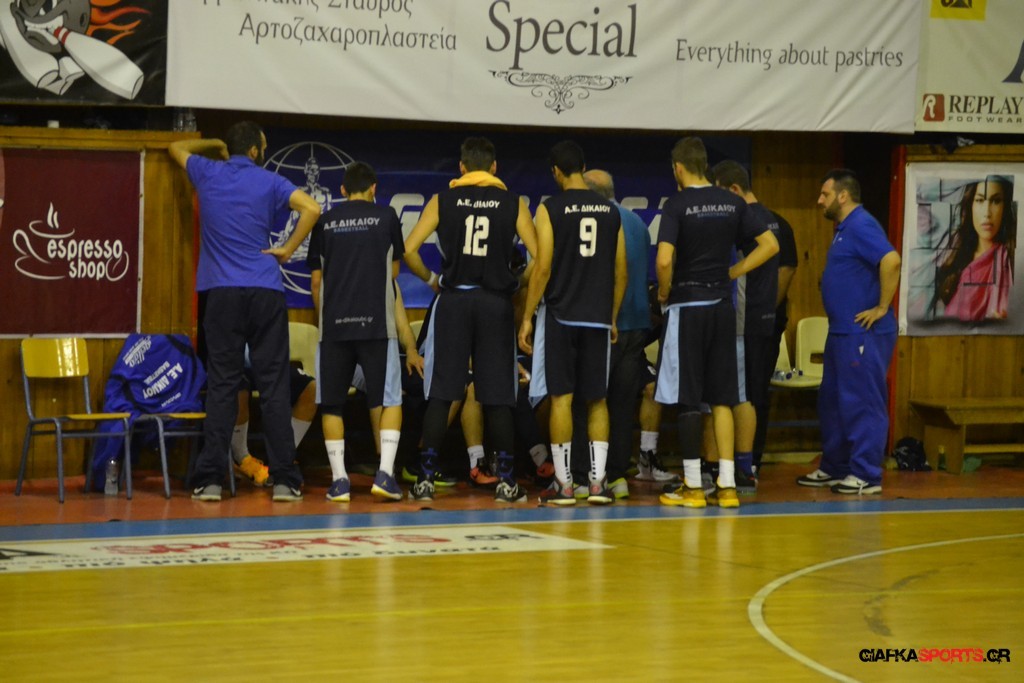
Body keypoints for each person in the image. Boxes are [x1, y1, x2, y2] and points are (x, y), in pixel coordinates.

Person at [169, 121, 321, 502]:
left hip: (221, 293)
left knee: (223, 385)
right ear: (254, 151)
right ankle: (285, 481)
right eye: (263, 145)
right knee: (274, 387)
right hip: (265, 290)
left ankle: (210, 481)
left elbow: (175, 148)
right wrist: (287, 249)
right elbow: (312, 207)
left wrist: (215, 144)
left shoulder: (208, 171)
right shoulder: (270, 181)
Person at [404, 137, 539, 504]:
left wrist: (433, 280)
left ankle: (425, 480)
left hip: (454, 301)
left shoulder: (442, 199)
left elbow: (409, 249)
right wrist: (517, 284)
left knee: (442, 392)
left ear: (461, 167)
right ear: (494, 167)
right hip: (495, 303)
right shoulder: (513, 202)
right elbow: (541, 255)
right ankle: (507, 483)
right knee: (498, 396)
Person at [655, 137, 778, 509]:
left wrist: (664, 292)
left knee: (690, 399)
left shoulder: (676, 205)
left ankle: (693, 487)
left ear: (678, 168)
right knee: (723, 398)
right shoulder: (732, 202)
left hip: (688, 308)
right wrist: (733, 272)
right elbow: (770, 245)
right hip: (723, 308)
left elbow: (664, 260)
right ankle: (727, 487)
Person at [519, 141, 626, 506]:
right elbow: (621, 270)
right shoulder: (611, 211)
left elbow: (543, 267)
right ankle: (597, 484)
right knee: (597, 400)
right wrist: (612, 316)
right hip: (597, 318)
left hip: (561, 316)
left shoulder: (549, 208)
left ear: (555, 171)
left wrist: (527, 316)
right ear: (583, 166)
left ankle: (564, 485)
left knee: (561, 399)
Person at [307, 161, 413, 503]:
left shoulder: (324, 221)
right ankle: (385, 475)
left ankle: (339, 482)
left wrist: (327, 319)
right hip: (377, 325)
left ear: (342, 190)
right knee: (390, 398)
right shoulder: (387, 217)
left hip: (334, 328)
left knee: (331, 403)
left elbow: (316, 282)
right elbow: (393, 272)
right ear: (373, 188)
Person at [798, 169, 900, 495]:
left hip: (862, 333)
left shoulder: (861, 224)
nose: (820, 200)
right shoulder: (844, 229)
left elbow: (891, 260)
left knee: (863, 402)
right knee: (832, 403)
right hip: (841, 332)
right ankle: (836, 466)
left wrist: (882, 307)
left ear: (843, 196)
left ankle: (866, 475)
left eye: (825, 194)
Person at [712, 159, 796, 490]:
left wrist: (732, 273)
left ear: (734, 189)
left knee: (742, 395)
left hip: (745, 319)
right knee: (752, 393)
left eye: (721, 193)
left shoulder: (745, 220)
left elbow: (782, 265)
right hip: (762, 318)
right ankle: (748, 464)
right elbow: (786, 268)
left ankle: (742, 465)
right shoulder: (777, 221)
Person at [583, 168, 650, 499]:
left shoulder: (598, 221)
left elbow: (612, 272)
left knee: (595, 400)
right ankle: (618, 475)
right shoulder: (637, 222)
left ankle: (589, 474)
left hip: (608, 323)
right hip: (637, 324)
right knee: (623, 402)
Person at [935, 176, 1015, 321]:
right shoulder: (958, 260)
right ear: (970, 205)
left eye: (996, 201)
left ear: (1005, 207)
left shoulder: (1009, 261)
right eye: (979, 200)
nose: (987, 213)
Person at [231, 365, 317, 487]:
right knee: (237, 383)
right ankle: (241, 458)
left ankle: (283, 457)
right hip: (238, 364)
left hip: (269, 362)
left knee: (311, 388)